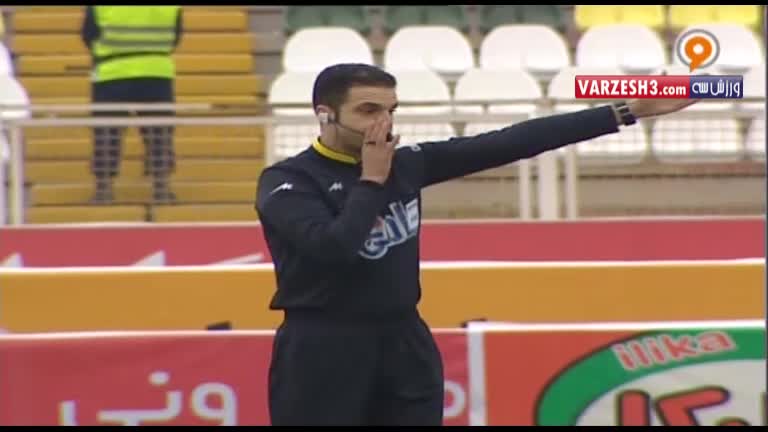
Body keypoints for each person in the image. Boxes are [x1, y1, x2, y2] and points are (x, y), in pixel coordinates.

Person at [254, 63, 699, 426]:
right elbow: (333, 248)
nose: (383, 124)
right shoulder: (288, 181)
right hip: (322, 348)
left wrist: (625, 110)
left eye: (390, 110)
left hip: (404, 340)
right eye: (368, 111)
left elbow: (510, 143)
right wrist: (371, 181)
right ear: (325, 115)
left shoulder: (406, 164)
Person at [81, 5, 183, 204]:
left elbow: (88, 34)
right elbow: (176, 35)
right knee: (159, 133)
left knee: (107, 133)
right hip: (156, 71)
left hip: (112, 72)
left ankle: (104, 189)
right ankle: (161, 187)